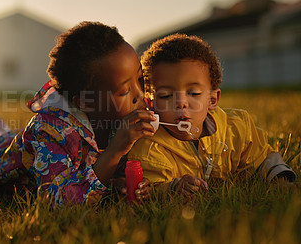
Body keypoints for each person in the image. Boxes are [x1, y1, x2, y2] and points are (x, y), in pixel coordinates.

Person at [0, 21, 156, 206]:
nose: (140, 94)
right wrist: (116, 150)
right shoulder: (49, 131)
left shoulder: (120, 119)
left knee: (16, 140)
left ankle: (5, 133)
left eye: (139, 79)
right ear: (86, 101)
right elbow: (59, 201)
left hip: (27, 146)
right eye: (125, 90)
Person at [127, 33, 296, 197]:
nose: (181, 103)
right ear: (151, 103)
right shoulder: (149, 149)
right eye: (166, 95)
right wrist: (173, 187)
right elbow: (149, 189)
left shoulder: (237, 128)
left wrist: (279, 180)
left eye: (193, 93)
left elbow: (264, 157)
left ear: (212, 100)